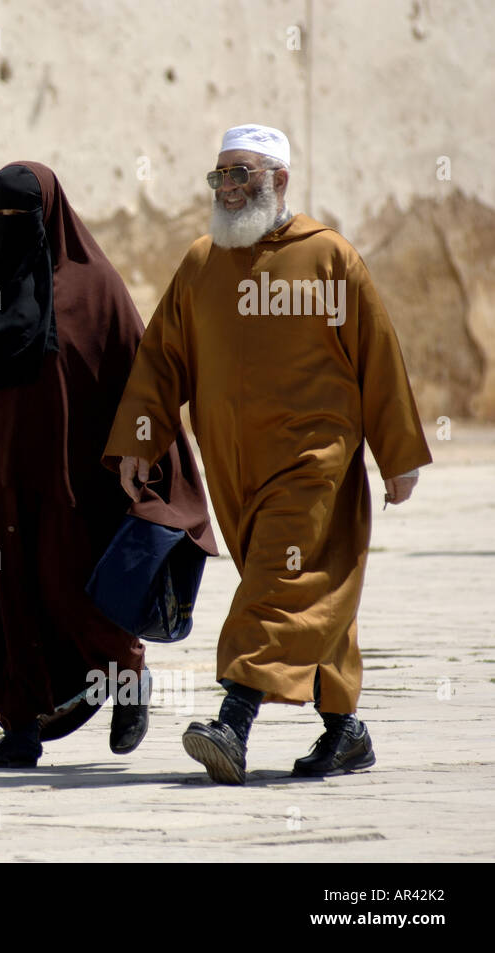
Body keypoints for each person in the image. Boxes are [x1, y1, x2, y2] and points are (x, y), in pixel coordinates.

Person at [103, 124, 432, 784]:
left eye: (241, 174)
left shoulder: (330, 256)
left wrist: (398, 455)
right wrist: (143, 437)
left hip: (315, 461)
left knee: (276, 585)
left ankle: (234, 719)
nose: (227, 187)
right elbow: (162, 359)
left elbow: (379, 357)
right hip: (235, 469)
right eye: (219, 175)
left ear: (279, 181)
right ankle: (344, 728)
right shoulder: (201, 264)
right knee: (309, 585)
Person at [0, 161, 216, 769]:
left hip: (62, 484)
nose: (11, 227)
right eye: (2, 215)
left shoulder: (96, 291)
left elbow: (136, 378)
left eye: (24, 216)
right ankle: (18, 728)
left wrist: (143, 458)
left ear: (52, 218)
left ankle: (128, 680)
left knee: (71, 592)